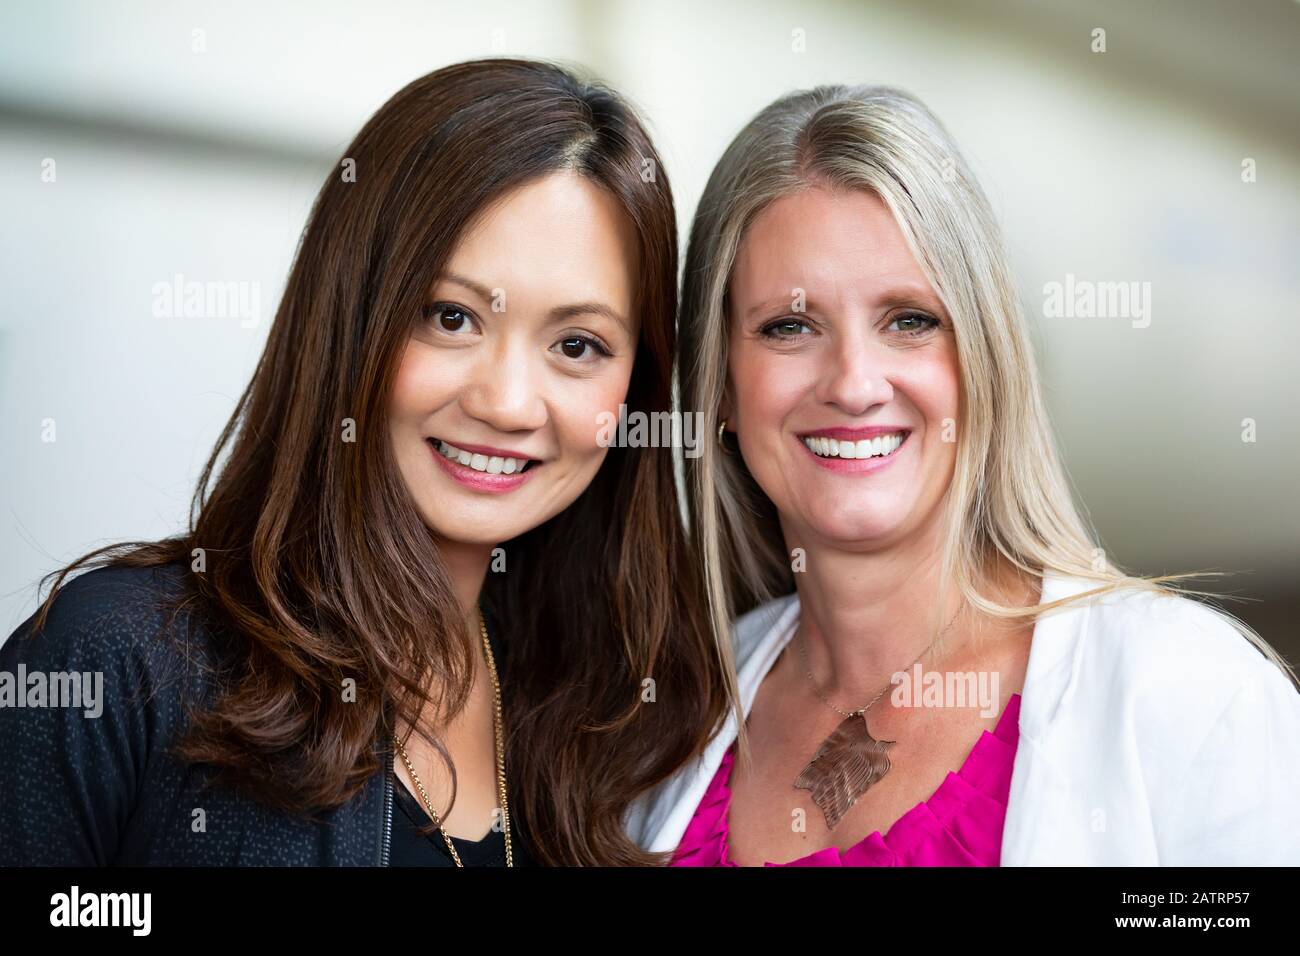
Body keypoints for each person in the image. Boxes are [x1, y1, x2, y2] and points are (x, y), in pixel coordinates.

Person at [0, 57, 727, 867]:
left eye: (577, 345)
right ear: (350, 318)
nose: (510, 403)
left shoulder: (616, 728)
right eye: (451, 317)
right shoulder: (114, 662)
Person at [624, 84, 1300, 866]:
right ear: (720, 390)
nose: (853, 382)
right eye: (790, 326)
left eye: (909, 320)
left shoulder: (1191, 693)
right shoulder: (672, 715)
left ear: (983, 357)